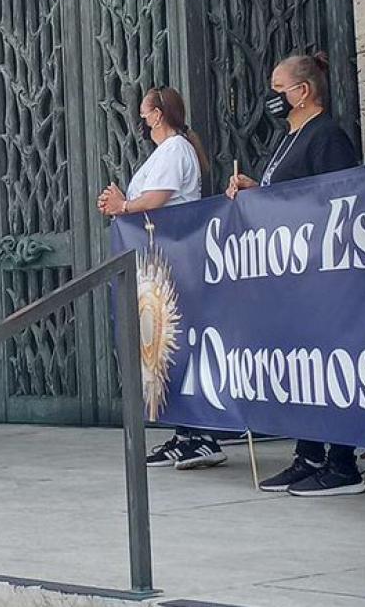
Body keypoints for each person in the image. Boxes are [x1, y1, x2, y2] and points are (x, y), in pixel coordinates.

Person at [227, 53, 364, 496]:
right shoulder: (291, 136)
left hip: (322, 276)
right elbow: (288, 197)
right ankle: (308, 455)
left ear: (302, 92)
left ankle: (342, 463)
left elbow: (338, 200)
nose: (272, 97)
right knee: (303, 365)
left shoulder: (327, 136)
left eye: (278, 87)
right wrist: (256, 192)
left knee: (329, 363)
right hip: (292, 277)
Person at [98, 86, 225, 470]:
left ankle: (203, 435)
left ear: (156, 115)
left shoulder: (175, 150)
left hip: (176, 260)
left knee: (179, 344)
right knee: (165, 348)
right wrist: (120, 202)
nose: (140, 118)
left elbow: (157, 199)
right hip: (159, 264)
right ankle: (185, 433)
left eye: (144, 112)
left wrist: (124, 205)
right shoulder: (163, 153)